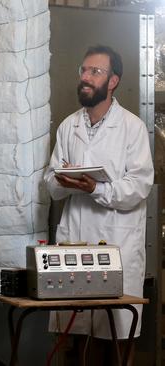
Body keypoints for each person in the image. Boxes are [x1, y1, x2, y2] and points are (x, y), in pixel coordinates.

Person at [44, 45, 154, 365]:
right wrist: (63, 180)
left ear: (114, 81)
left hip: (116, 244)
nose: (86, 78)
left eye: (96, 72)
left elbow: (139, 186)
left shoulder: (132, 128)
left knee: (117, 340)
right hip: (76, 243)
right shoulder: (68, 127)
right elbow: (50, 183)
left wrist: (96, 188)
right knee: (74, 337)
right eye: (84, 70)